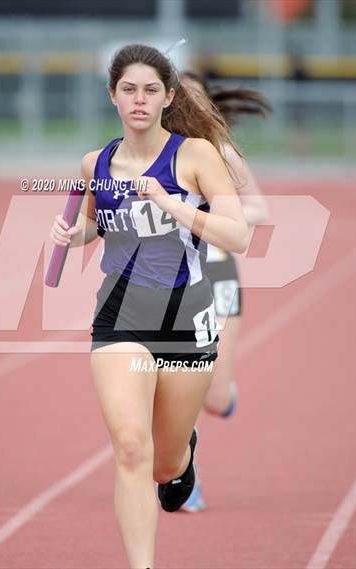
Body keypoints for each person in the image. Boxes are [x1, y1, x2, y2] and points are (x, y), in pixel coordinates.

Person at [50, 44, 248, 569]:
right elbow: (100, 225)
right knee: (131, 449)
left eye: (150, 89)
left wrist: (174, 204)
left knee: (163, 467)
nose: (139, 99)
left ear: (168, 97)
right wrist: (77, 235)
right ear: (112, 96)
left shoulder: (195, 156)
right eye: (129, 89)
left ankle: (184, 452)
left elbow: (238, 235)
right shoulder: (97, 163)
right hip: (120, 315)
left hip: (186, 317)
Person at [179, 72, 271, 512]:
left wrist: (213, 212)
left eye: (197, 100)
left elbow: (260, 207)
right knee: (178, 384)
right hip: (172, 279)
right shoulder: (155, 158)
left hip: (219, 279)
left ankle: (226, 396)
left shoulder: (223, 153)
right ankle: (182, 476)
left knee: (212, 396)